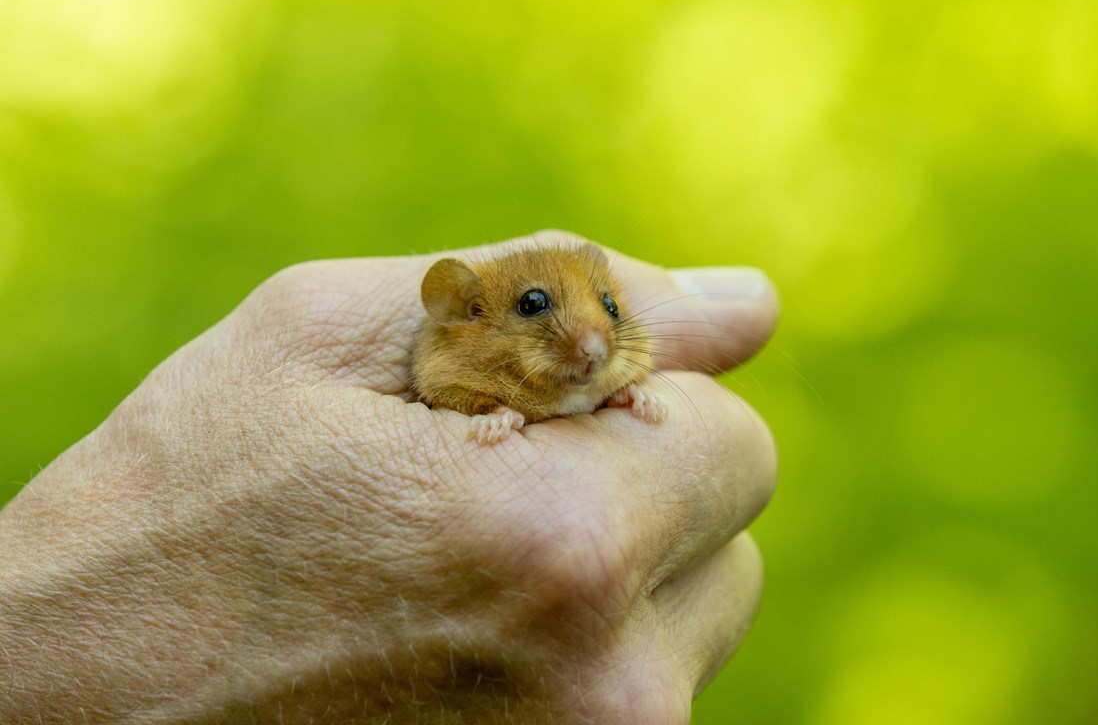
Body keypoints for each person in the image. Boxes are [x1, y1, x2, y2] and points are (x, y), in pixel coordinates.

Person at [0, 232, 778, 724]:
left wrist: (631, 391)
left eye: (605, 305)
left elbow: (620, 356)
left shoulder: (618, 351)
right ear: (459, 308)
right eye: (538, 306)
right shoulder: (455, 354)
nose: (591, 334)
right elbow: (441, 385)